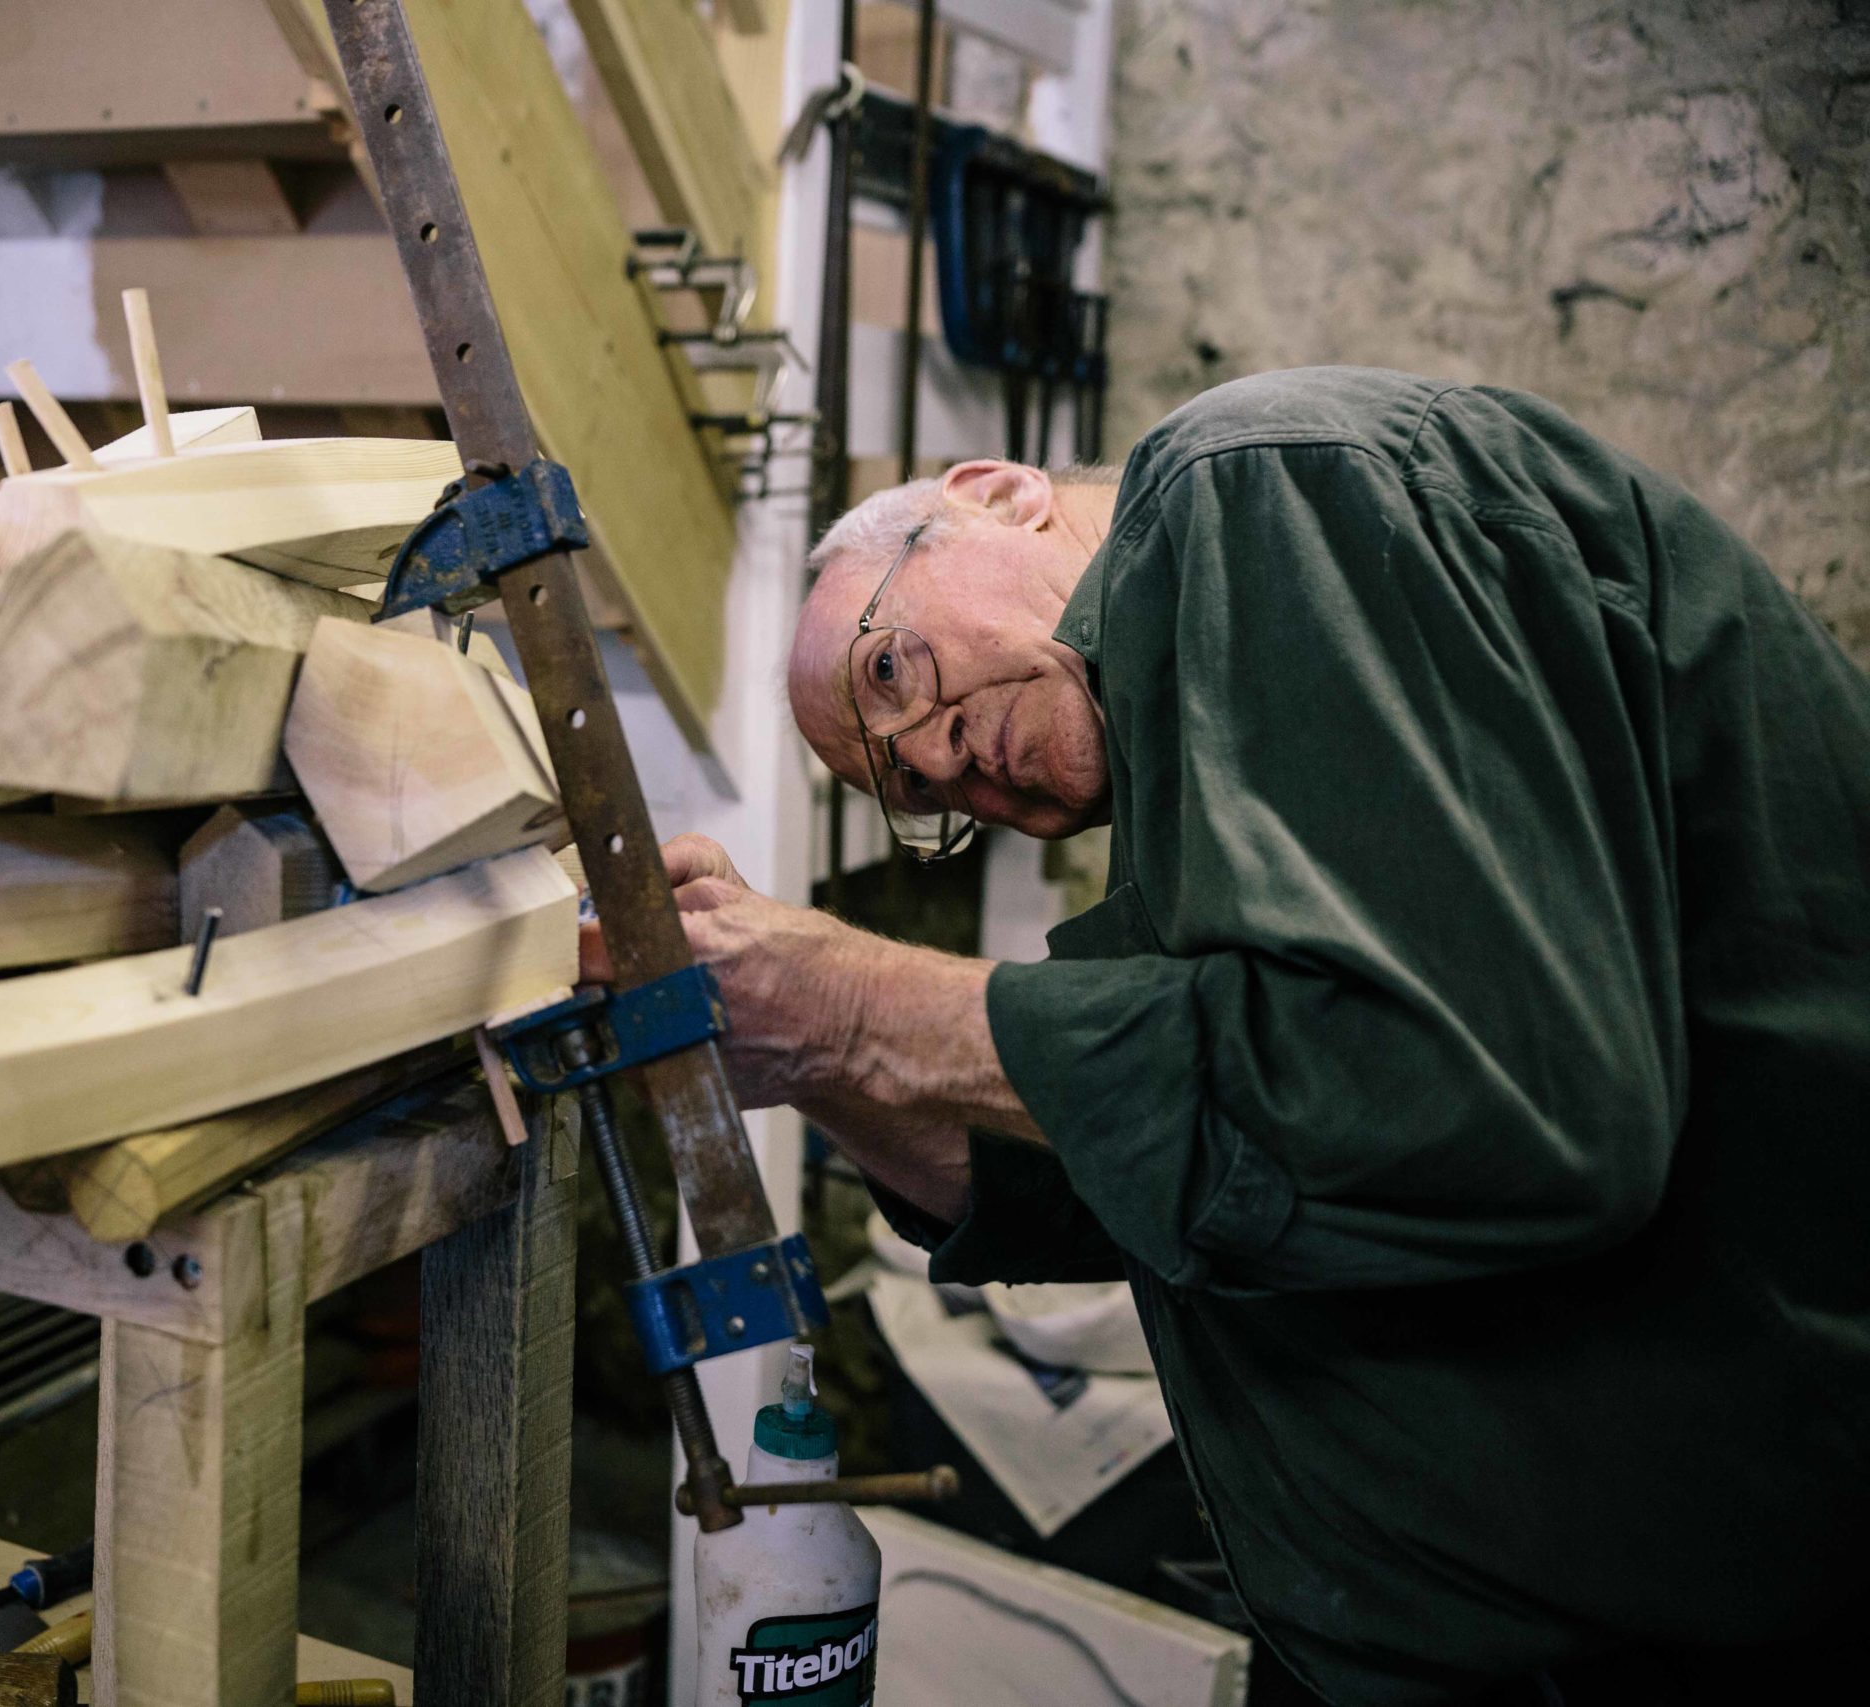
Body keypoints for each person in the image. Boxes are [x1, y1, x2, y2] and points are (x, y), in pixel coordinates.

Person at [595, 368, 1870, 1703]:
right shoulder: (1189, 776)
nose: (940, 756)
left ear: (996, 495)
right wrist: (812, 1053)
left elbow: (1481, 1095)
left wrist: (853, 1001)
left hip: (1730, 1595)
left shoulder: (1249, 485)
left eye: (891, 669)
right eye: (911, 789)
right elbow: (1148, 1142)